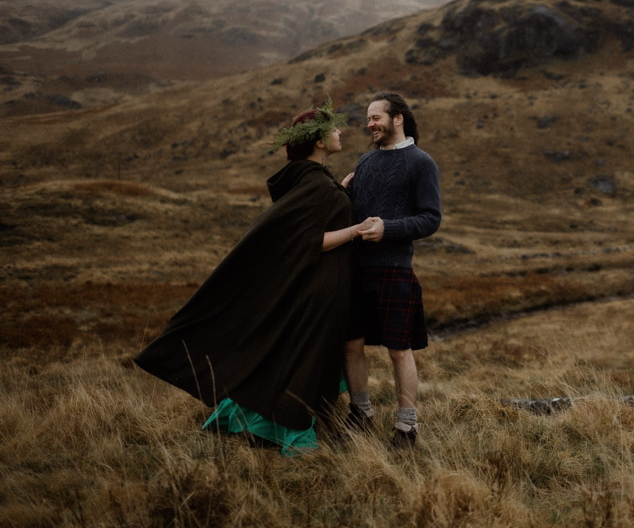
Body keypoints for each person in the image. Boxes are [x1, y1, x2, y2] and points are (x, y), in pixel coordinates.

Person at [135, 98, 366, 455]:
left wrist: (341, 192)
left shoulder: (312, 181)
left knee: (290, 353)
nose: (339, 132)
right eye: (332, 128)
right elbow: (311, 240)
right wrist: (357, 229)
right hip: (319, 290)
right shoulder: (315, 184)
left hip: (314, 287)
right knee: (305, 358)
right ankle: (287, 433)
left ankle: (257, 423)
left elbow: (308, 219)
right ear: (319, 141)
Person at [344, 90, 441, 449]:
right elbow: (352, 215)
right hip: (358, 269)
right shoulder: (365, 163)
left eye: (375, 117)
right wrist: (338, 193)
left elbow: (431, 218)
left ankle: (406, 427)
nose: (369, 124)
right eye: (368, 119)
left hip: (395, 269)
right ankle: (360, 414)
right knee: (350, 343)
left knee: (399, 349)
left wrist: (390, 228)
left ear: (397, 118)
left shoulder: (421, 162)